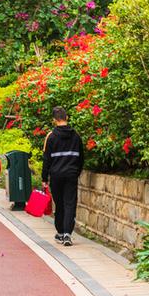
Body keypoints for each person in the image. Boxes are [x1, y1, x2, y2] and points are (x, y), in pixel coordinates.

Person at [42, 105, 84, 247]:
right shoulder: (76, 136)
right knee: (70, 203)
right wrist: (76, 172)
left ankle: (60, 232)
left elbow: (47, 159)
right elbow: (81, 158)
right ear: (67, 117)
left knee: (59, 204)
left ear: (54, 120)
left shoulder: (51, 137)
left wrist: (44, 178)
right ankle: (67, 234)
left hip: (56, 176)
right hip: (71, 175)